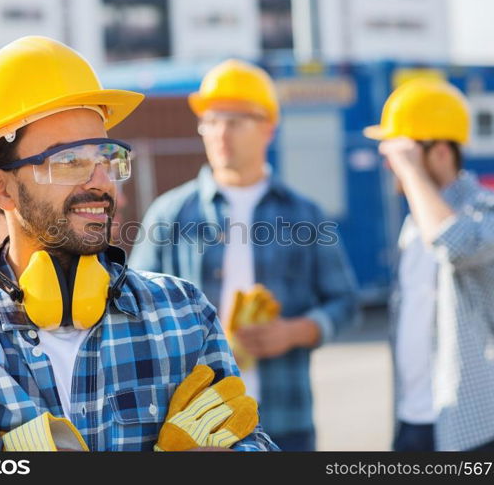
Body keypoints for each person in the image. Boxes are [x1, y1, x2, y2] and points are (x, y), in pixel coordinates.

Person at [0, 36, 277, 452]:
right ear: (0, 188)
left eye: (107, 157)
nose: (101, 182)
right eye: (69, 161)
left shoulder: (182, 312)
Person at [129, 59, 359, 451]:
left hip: (284, 418)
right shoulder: (170, 214)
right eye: (212, 121)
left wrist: (295, 332)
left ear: (268, 127)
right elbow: (132, 310)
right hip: (195, 422)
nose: (220, 133)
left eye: (235, 121)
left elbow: (345, 302)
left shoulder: (304, 215)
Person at [364, 78, 494, 451]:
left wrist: (413, 172)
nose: (391, 164)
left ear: (439, 153)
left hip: (472, 428)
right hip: (412, 421)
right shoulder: (415, 223)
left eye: (401, 152)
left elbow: (456, 244)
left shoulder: (489, 210)